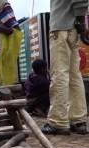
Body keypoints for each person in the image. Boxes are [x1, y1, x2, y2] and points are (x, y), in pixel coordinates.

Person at [42, 0, 88, 135]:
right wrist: (81, 23)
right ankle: (78, 120)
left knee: (59, 74)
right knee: (74, 75)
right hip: (71, 28)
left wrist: (81, 22)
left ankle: (58, 121)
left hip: (61, 28)